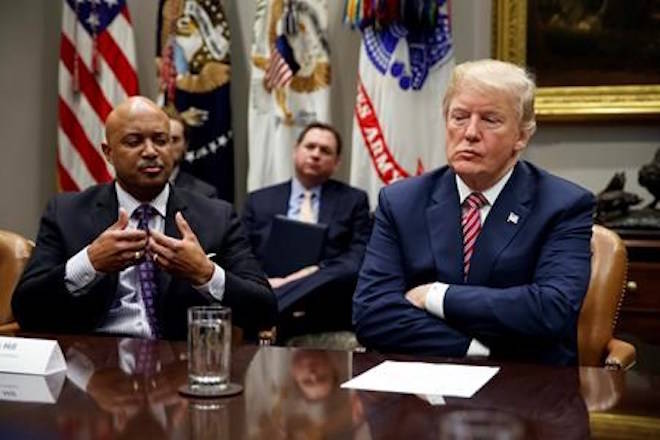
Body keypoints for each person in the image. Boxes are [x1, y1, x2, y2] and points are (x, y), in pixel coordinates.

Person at [352, 59, 595, 366]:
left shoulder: (563, 205)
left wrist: (436, 297)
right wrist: (472, 348)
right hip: (423, 386)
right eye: (459, 117)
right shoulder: (401, 201)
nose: (470, 133)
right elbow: (371, 314)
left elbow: (551, 310)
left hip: (525, 388)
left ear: (522, 135)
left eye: (490, 120)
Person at [13, 96, 276, 339]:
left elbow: (265, 310)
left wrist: (205, 273)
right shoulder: (66, 212)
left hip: (180, 369)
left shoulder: (216, 216)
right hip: (94, 365)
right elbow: (26, 310)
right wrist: (90, 263)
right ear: (108, 153)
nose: (151, 151)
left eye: (161, 140)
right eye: (134, 141)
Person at [242, 122, 371, 339]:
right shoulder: (259, 200)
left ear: (337, 162)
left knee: (347, 269)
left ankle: (275, 300)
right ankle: (274, 298)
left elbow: (357, 259)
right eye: (310, 147)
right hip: (268, 283)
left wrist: (310, 274)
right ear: (295, 151)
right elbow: (242, 252)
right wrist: (263, 281)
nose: (316, 154)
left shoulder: (353, 200)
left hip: (324, 304)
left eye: (325, 150)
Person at [165, 108, 218, 199]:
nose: (169, 146)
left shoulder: (204, 194)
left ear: (185, 145)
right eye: (162, 140)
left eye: (175, 140)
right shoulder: (135, 189)